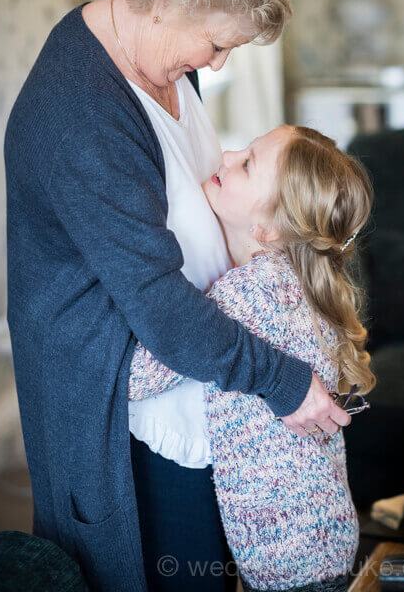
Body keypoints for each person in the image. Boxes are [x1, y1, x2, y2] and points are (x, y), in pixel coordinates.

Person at [4, 0, 351, 592]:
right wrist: (284, 382)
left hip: (201, 400)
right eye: (218, 43)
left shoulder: (166, 61)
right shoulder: (83, 113)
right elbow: (160, 310)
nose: (217, 64)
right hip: (126, 428)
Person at [129, 125, 376, 592]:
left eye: (247, 164)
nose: (226, 154)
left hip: (287, 561)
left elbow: (137, 377)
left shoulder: (250, 294)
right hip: (326, 538)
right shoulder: (302, 288)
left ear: (268, 229)